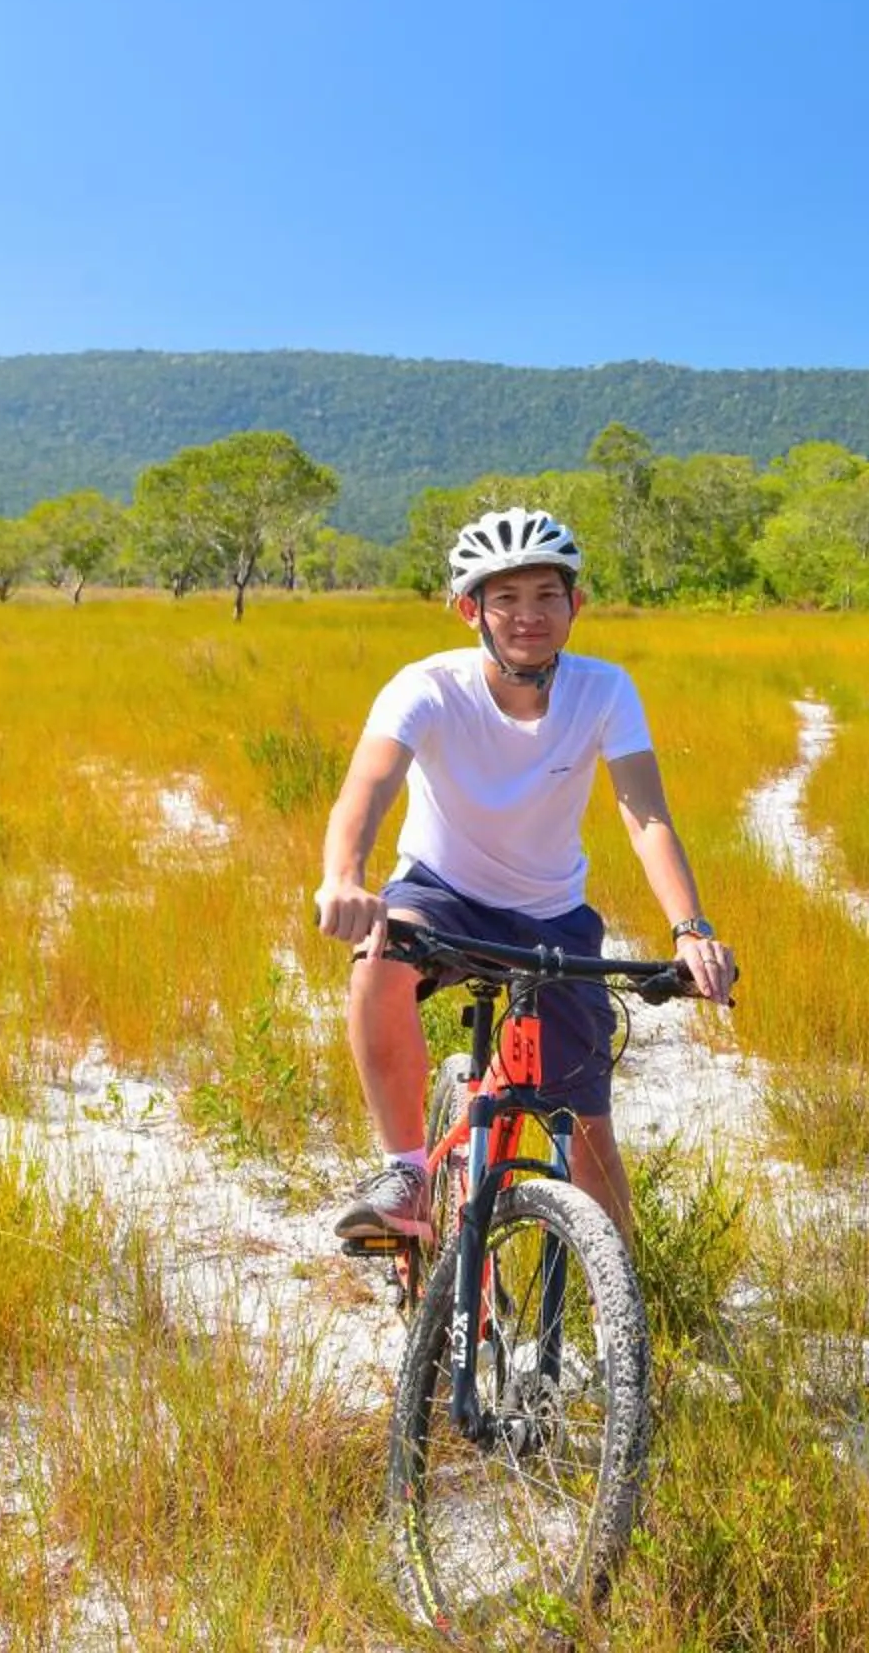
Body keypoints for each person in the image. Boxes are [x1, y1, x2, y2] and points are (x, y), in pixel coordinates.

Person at [313, 506, 736, 1243]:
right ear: (469, 609)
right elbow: (369, 788)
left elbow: (646, 814)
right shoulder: (426, 687)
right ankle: (406, 1169)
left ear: (576, 605)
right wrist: (344, 877)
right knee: (378, 960)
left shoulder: (604, 690)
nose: (528, 615)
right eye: (506, 598)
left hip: (553, 916)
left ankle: (620, 1320)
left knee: (589, 1135)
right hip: (441, 895)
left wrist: (691, 929)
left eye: (546, 595)